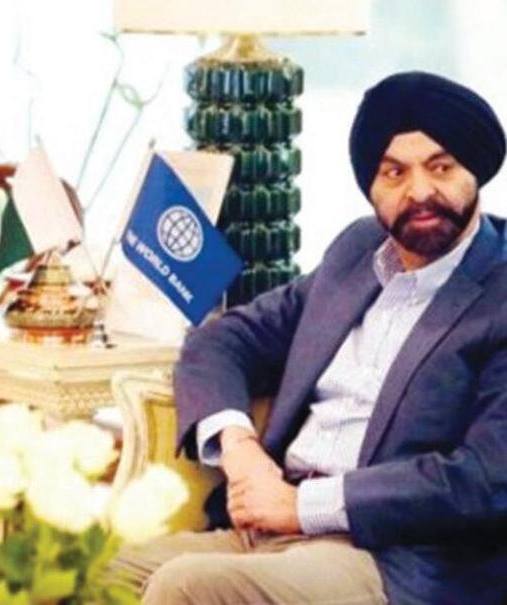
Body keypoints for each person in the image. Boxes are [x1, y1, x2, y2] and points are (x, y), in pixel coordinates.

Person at [114, 71, 507, 604]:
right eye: (394, 172)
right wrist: (241, 449)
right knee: (86, 569)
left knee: (184, 587)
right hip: (265, 526)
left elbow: (485, 477)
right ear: (370, 186)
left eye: (441, 167)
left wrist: (303, 507)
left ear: (475, 171)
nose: (419, 192)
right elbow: (224, 340)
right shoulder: (356, 252)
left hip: (392, 558)